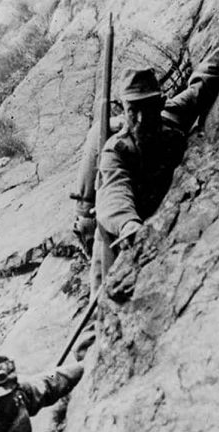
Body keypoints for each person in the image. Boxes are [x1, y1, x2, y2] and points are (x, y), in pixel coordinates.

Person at [94, 0, 219, 288]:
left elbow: (205, 78)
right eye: (133, 111)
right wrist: (128, 223)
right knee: (107, 296)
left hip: (161, 222)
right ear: (124, 111)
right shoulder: (116, 150)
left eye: (148, 108)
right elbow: (113, 193)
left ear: (161, 103)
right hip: (119, 232)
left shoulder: (171, 118)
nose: (142, 119)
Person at [70, 100, 125, 294]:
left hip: (83, 216)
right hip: (91, 217)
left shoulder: (96, 134)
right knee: (105, 272)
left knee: (100, 270)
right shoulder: (106, 127)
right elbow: (122, 123)